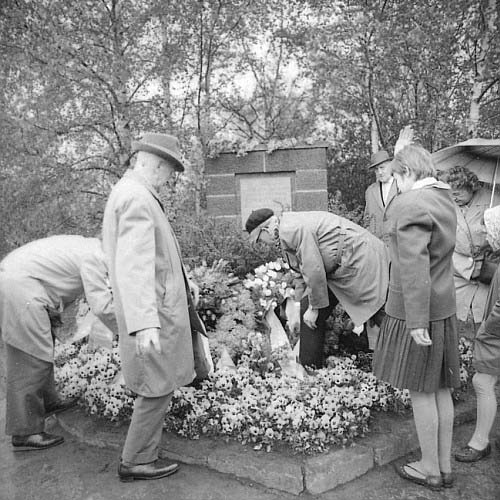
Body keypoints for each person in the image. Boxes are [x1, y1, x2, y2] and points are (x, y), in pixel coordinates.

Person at [102, 132, 200, 482]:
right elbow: (135, 265)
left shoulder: (131, 194)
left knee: (156, 384)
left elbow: (155, 257)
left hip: (154, 309)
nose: (170, 178)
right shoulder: (137, 199)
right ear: (157, 164)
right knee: (155, 388)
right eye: (170, 171)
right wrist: (144, 323)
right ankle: (137, 461)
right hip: (153, 315)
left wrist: (187, 282)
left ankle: (141, 455)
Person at [373, 144, 460, 491]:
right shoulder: (444, 200)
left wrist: (416, 321)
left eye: (396, 176)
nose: (395, 184)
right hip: (444, 307)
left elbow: (413, 267)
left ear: (406, 173)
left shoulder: (411, 203)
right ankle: (444, 466)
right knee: (440, 390)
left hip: (417, 310)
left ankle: (428, 468)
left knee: (421, 392)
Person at [0, 235, 117, 451]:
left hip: (22, 280)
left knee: (41, 349)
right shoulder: (96, 258)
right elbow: (101, 305)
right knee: (32, 357)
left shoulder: (92, 247)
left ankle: (47, 402)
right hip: (20, 286)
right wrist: (124, 331)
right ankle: (25, 432)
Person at [245, 208, 389, 368]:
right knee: (308, 311)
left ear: (266, 229)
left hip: (360, 260)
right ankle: (309, 372)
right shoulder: (284, 231)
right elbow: (301, 273)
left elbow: (313, 269)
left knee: (380, 313)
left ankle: (413, 357)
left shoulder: (290, 229)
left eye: (259, 239)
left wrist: (314, 308)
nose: (261, 244)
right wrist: (298, 308)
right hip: (342, 266)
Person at [454, 205, 500, 463]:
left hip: (495, 336)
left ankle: (480, 443)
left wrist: (485, 330)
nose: (485, 232)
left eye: (489, 227)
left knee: (482, 382)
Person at [439, 166, 500, 338]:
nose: (454, 197)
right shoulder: (446, 204)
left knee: (486, 323)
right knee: (457, 324)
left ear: (470, 187)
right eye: (451, 193)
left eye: (458, 193)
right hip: (457, 271)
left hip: (487, 271)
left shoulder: (493, 198)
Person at [364, 150, 397, 239]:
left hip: (398, 243)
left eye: (382, 167)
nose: (380, 172)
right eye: (376, 169)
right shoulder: (370, 191)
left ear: (391, 166)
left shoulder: (401, 186)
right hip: (376, 244)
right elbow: (367, 220)